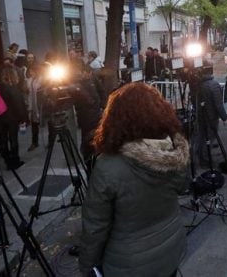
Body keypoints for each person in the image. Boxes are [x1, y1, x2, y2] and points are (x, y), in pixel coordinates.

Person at [79, 83, 189, 277]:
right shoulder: (174, 149)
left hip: (129, 265)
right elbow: (182, 187)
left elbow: (95, 228)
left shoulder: (108, 166)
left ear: (115, 119)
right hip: (171, 249)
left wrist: (88, 268)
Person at [191, 63, 227, 167]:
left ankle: (198, 156)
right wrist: (224, 118)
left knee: (201, 136)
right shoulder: (214, 85)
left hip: (201, 115)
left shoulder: (198, 84)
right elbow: (218, 105)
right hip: (211, 117)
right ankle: (205, 160)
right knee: (209, 137)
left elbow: (193, 99)